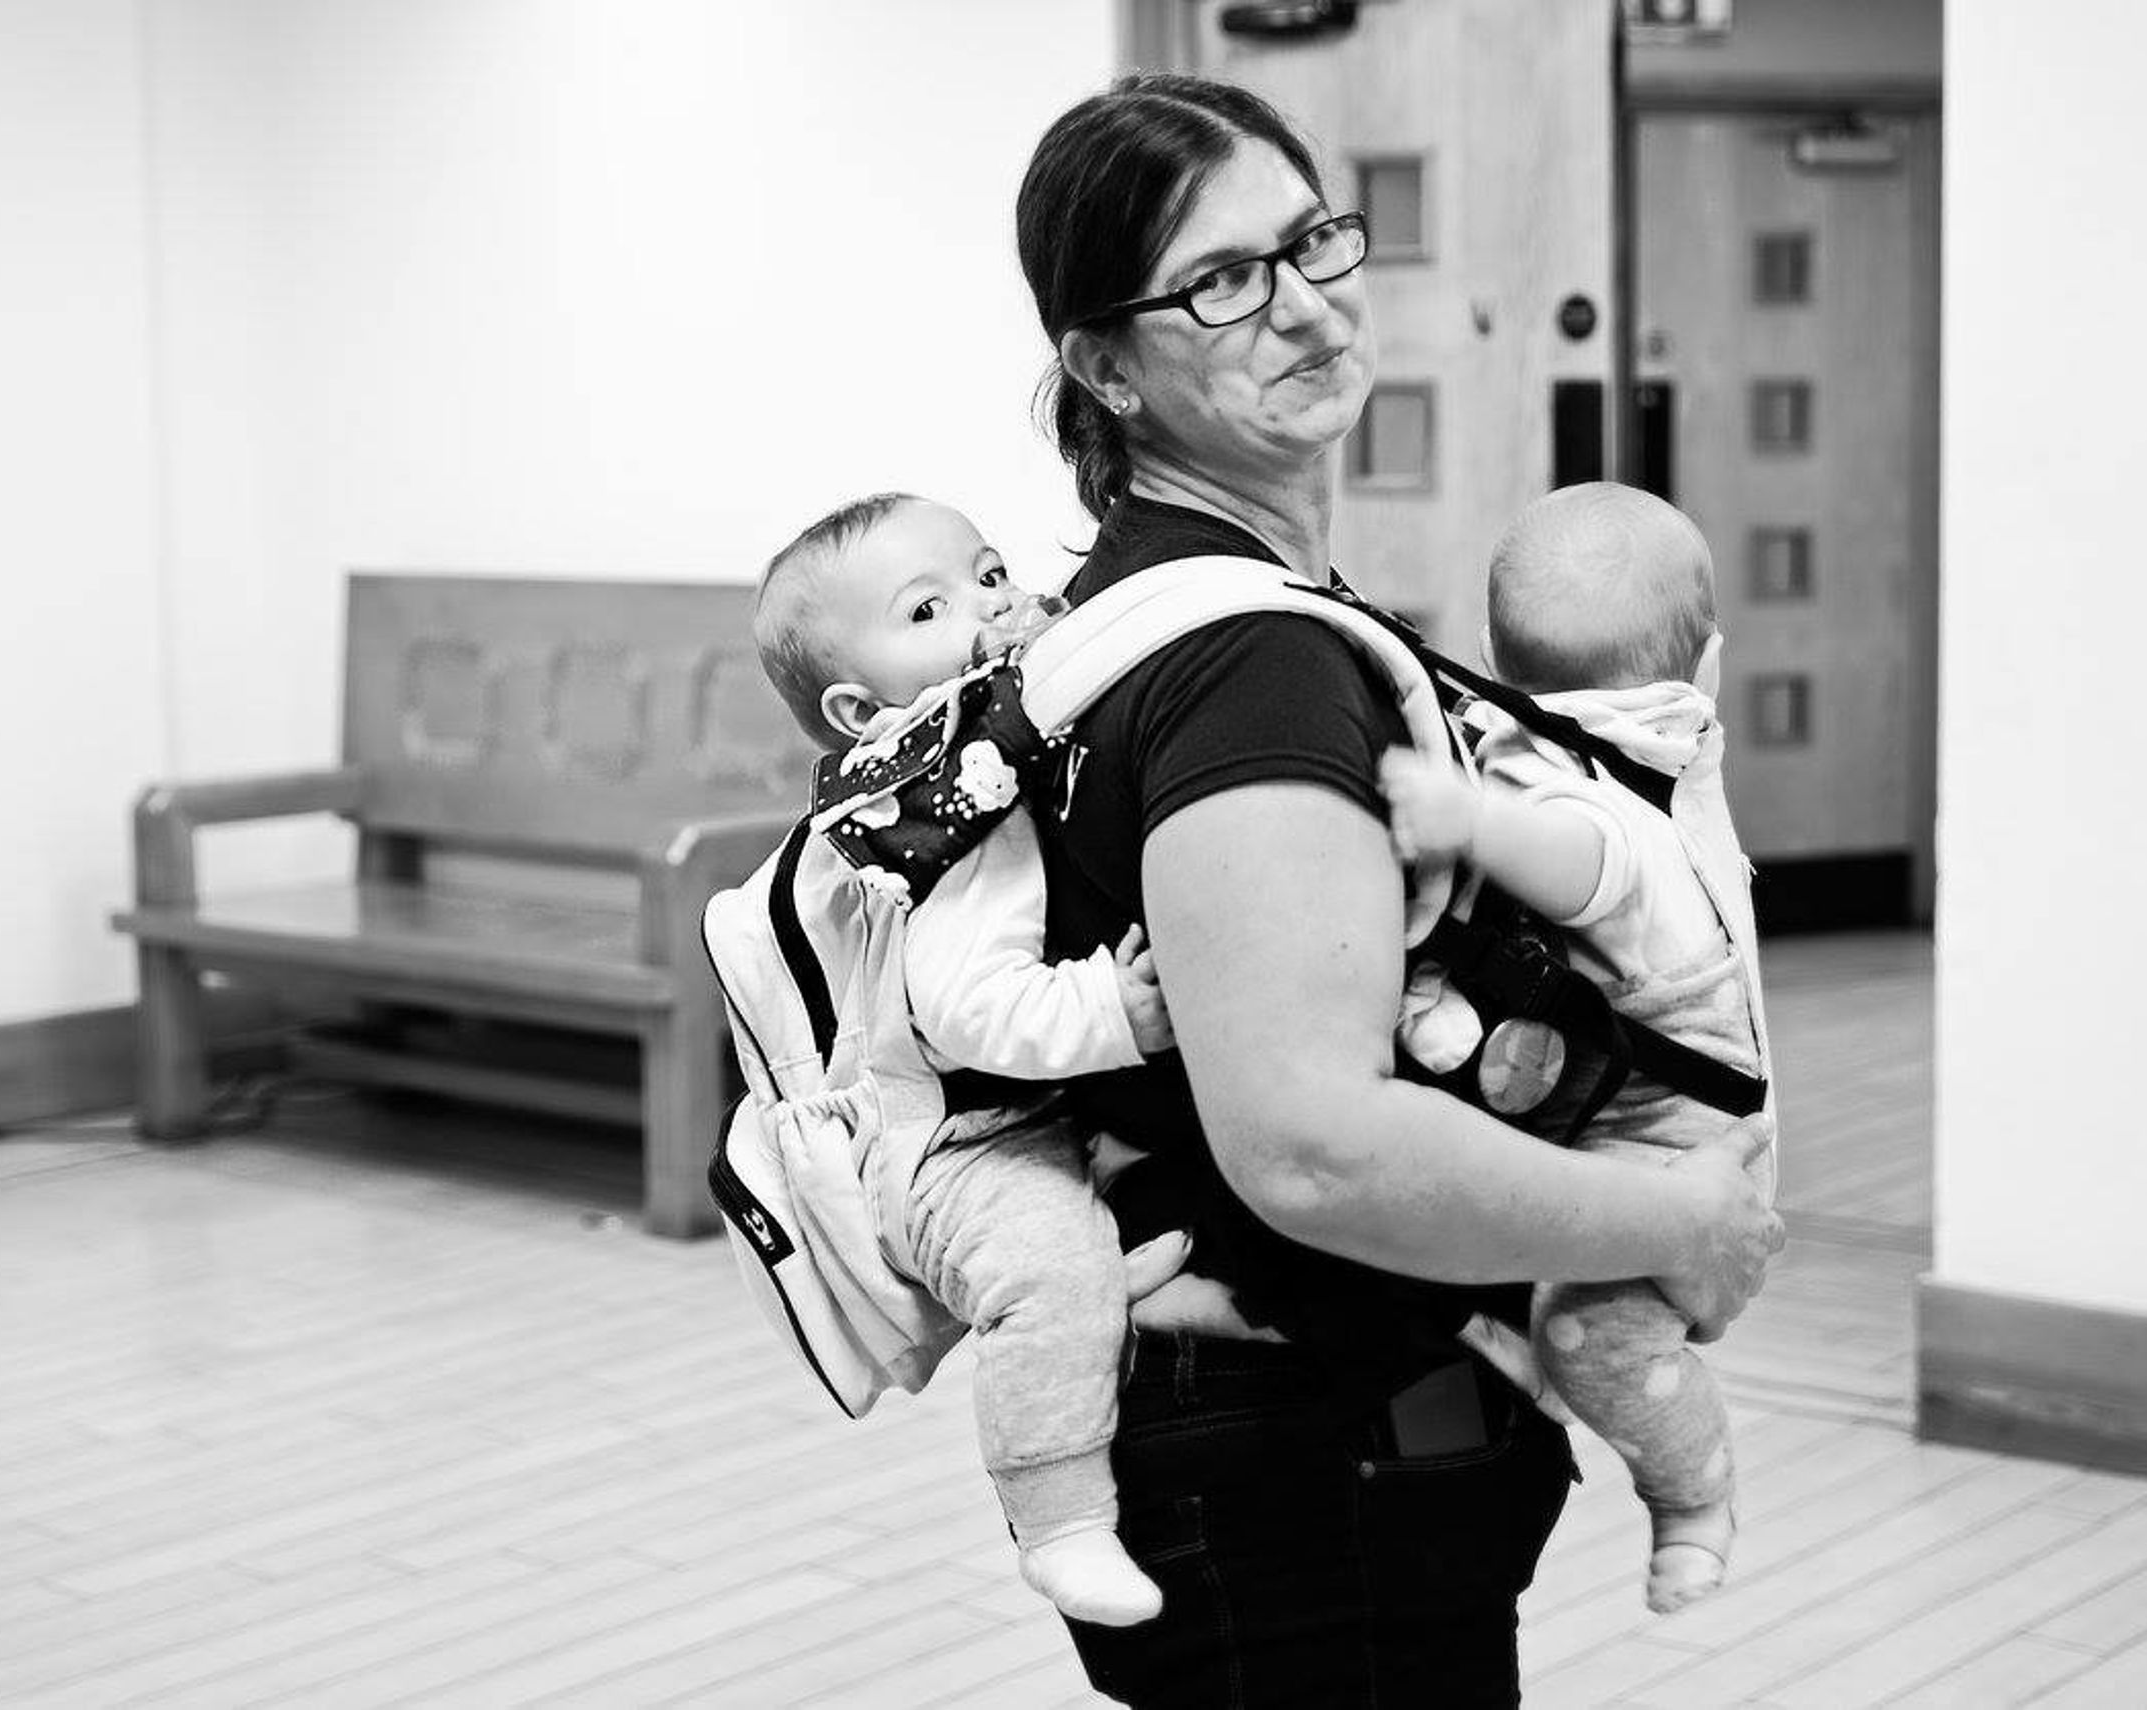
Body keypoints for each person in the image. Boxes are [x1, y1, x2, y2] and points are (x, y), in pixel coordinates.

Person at [1013, 73, 1783, 1704]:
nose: (1303, 305)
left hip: (1262, 1429)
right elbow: (1312, 1141)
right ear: (1106, 365)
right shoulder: (1250, 667)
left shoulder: (1150, 607)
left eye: (1312, 243)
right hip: (1304, 1449)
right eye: (1222, 282)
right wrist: (1685, 1216)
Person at [751, 491, 1178, 1628]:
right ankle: (1061, 1523)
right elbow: (964, 1008)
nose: (988, 607)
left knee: (1115, 1244)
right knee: (1051, 1270)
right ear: (861, 709)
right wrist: (1114, 1008)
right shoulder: (950, 809)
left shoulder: (990, 744)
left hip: (1022, 1112)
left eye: (989, 575)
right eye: (928, 608)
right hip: (951, 1141)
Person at [1381, 482, 1778, 1614]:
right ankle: (1537, 1368)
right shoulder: (1656, 746)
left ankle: (1691, 1496)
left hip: (1677, 1132)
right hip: (1621, 1096)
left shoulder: (1593, 789)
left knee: (1597, 1332)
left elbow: (1585, 865)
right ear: (1708, 665)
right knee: (1531, 1294)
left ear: (1490, 652)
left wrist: (1473, 822)